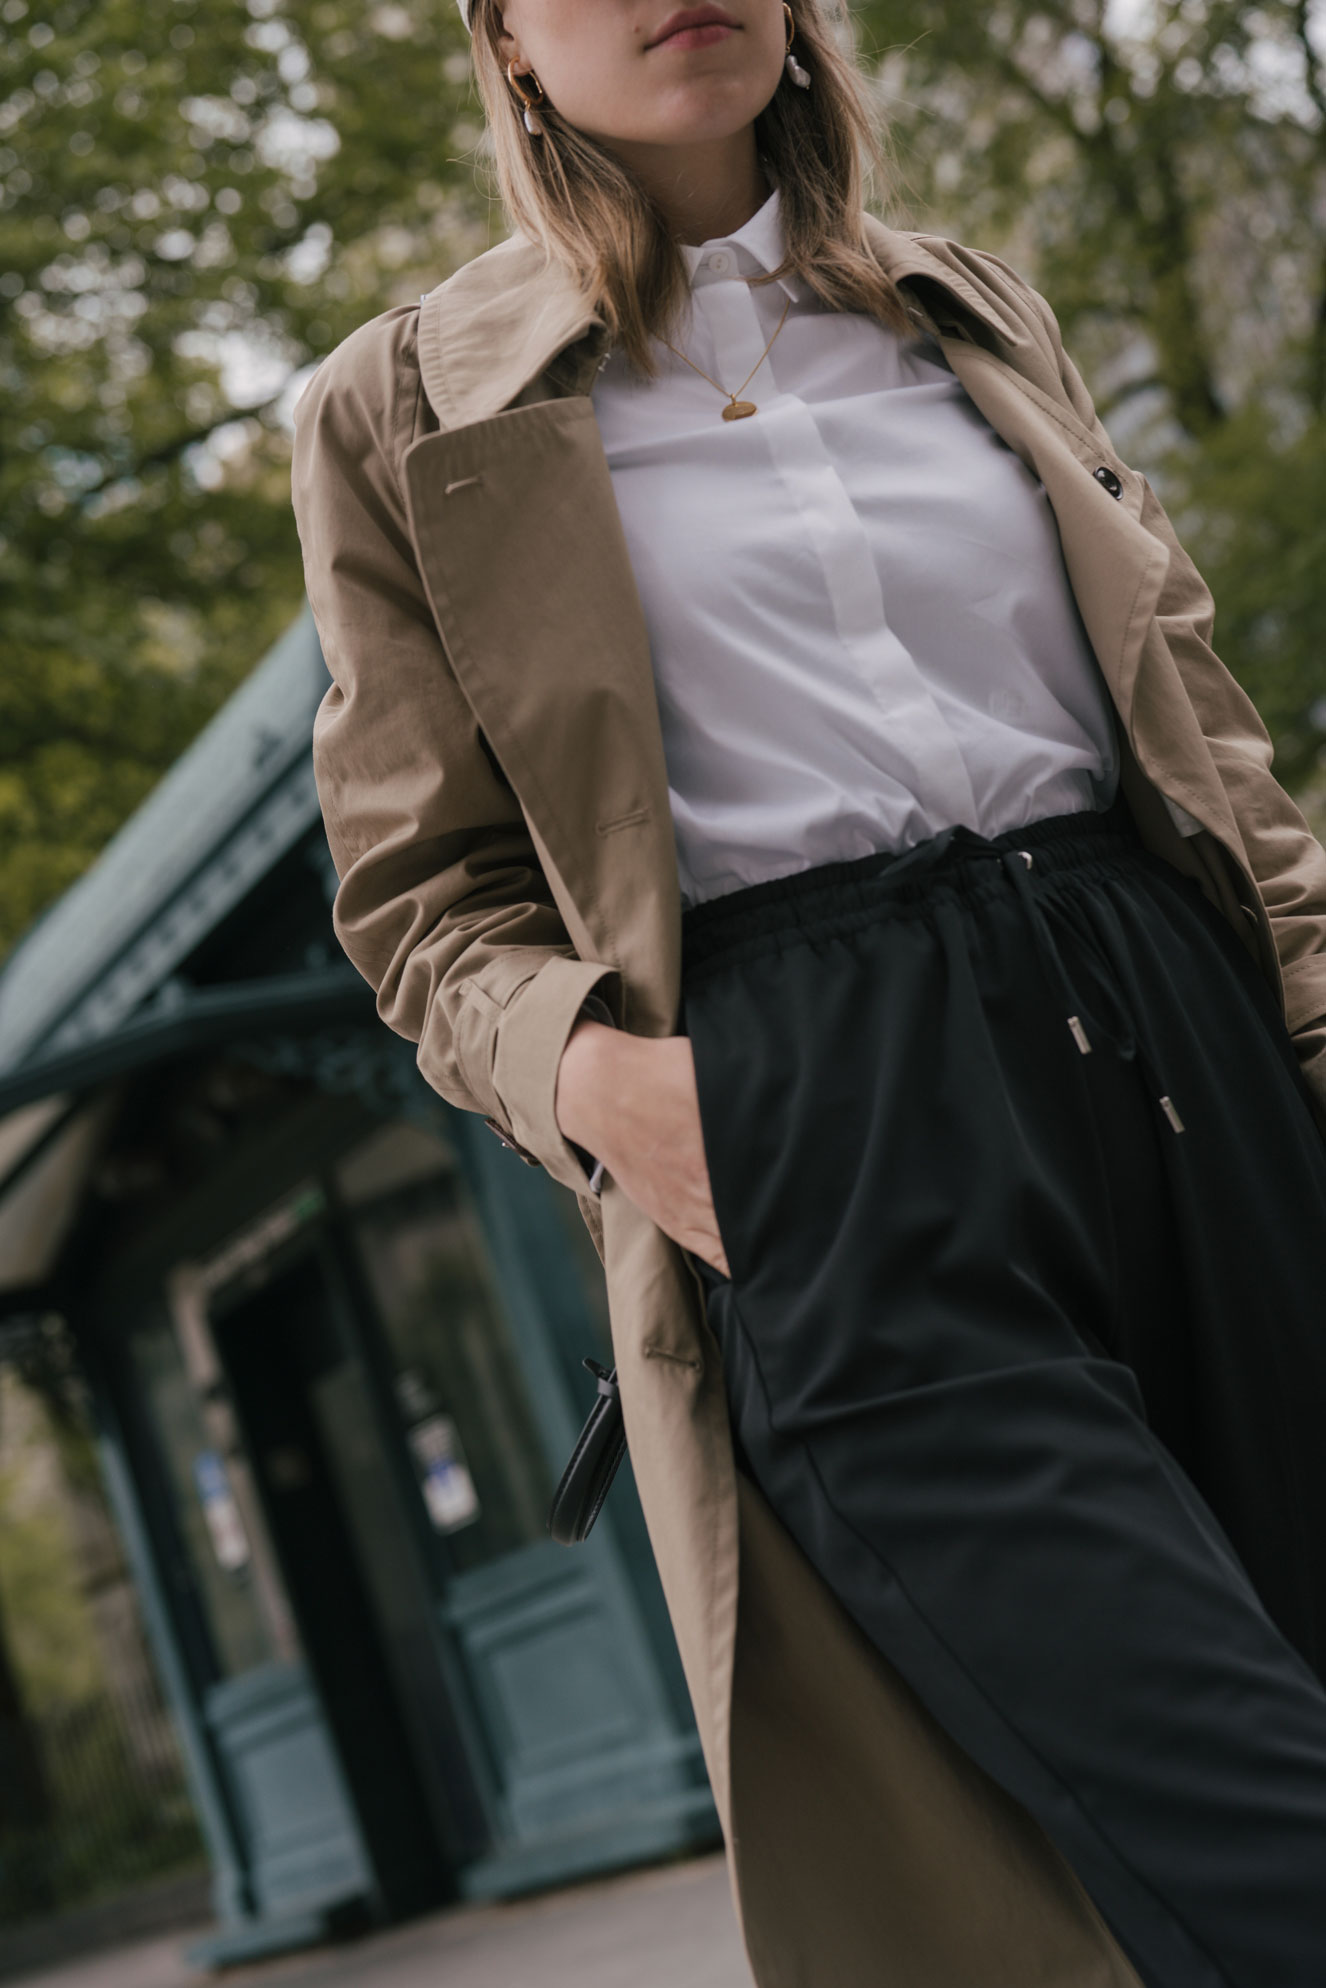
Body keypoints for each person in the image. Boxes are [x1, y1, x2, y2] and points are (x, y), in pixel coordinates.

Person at [289, 0, 1326, 1980]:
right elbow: (422, 893)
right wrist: (616, 1092)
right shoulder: (400, 406)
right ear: (504, 41)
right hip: (815, 1113)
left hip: (1175, 1023)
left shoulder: (970, 307)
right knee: (1239, 1787)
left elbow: (1206, 736)